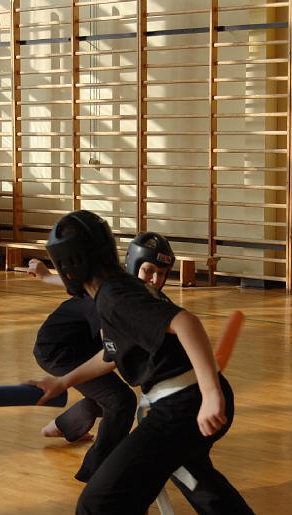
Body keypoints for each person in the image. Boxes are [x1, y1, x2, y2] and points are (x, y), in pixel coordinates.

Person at [30, 210, 253, 514]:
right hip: (186, 402)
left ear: (69, 265)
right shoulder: (115, 291)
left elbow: (186, 322)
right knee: (198, 482)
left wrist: (210, 394)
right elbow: (110, 354)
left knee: (99, 503)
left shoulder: (115, 297)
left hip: (183, 406)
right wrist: (62, 381)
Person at [28, 231, 178, 483]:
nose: (155, 279)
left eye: (162, 273)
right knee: (120, 401)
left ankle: (65, 426)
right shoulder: (113, 299)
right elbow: (111, 354)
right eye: (149, 270)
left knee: (109, 394)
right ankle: (97, 474)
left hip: (84, 345)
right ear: (133, 265)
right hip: (58, 350)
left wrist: (45, 276)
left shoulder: (126, 287)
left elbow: (81, 283)